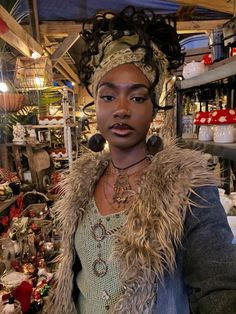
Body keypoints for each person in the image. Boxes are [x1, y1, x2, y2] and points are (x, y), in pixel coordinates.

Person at [46, 6, 236, 314]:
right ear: (96, 106)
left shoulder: (187, 189)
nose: (121, 109)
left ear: (154, 108)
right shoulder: (80, 187)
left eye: (136, 97)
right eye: (108, 96)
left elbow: (218, 286)